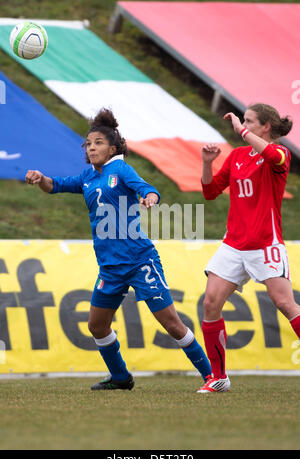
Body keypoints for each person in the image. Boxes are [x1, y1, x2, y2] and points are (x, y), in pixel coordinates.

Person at [26, 107, 211, 391]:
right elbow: (56, 186)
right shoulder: (88, 177)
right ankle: (121, 377)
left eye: (98, 143)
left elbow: (147, 188)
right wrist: (41, 179)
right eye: (88, 144)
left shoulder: (120, 169)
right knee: (97, 326)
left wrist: (149, 197)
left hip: (139, 261)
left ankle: (212, 376)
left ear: (112, 148)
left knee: (172, 324)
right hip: (110, 267)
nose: (91, 148)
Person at [198, 103, 300, 393]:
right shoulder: (238, 156)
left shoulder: (280, 154)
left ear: (266, 126)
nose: (244, 124)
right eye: (244, 120)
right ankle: (218, 377)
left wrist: (241, 131)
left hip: (265, 243)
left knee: (285, 303)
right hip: (234, 244)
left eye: (250, 121)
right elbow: (210, 192)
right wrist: (207, 163)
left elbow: (269, 153)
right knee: (210, 303)